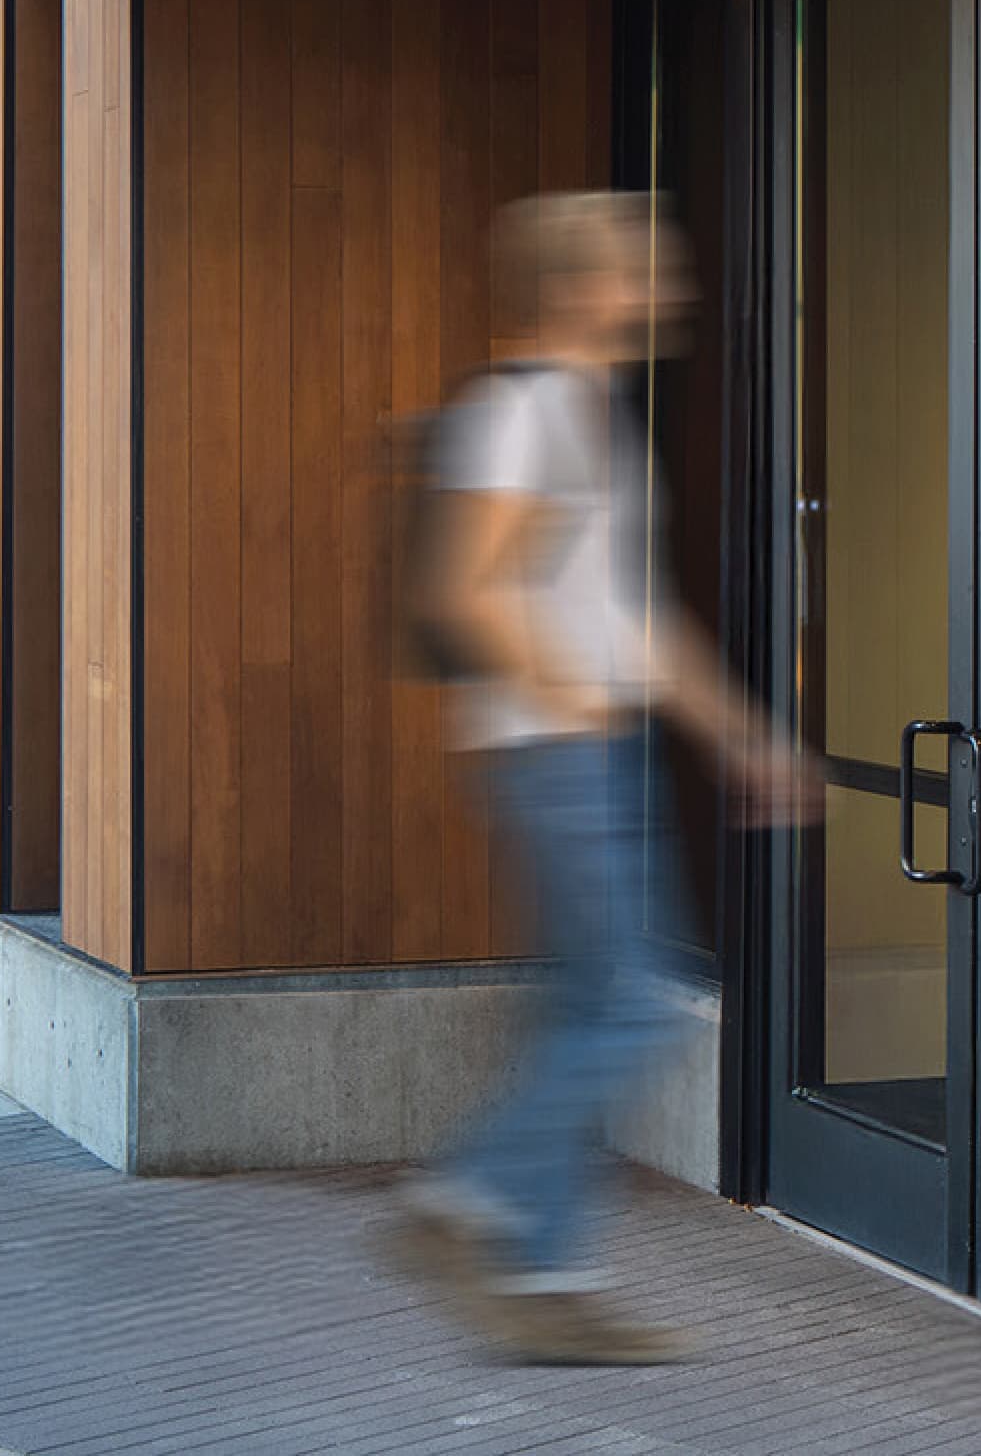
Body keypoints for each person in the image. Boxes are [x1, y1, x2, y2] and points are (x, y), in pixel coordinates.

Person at [388, 192, 816, 1366]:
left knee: (586, 1006)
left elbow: (640, 621)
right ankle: (466, 1199)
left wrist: (743, 739)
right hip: (554, 753)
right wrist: (562, 690)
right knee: (628, 1002)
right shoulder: (527, 413)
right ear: (582, 289)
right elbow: (457, 586)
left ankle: (546, 1277)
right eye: (646, 268)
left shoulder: (593, 413)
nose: (669, 286)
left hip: (588, 747)